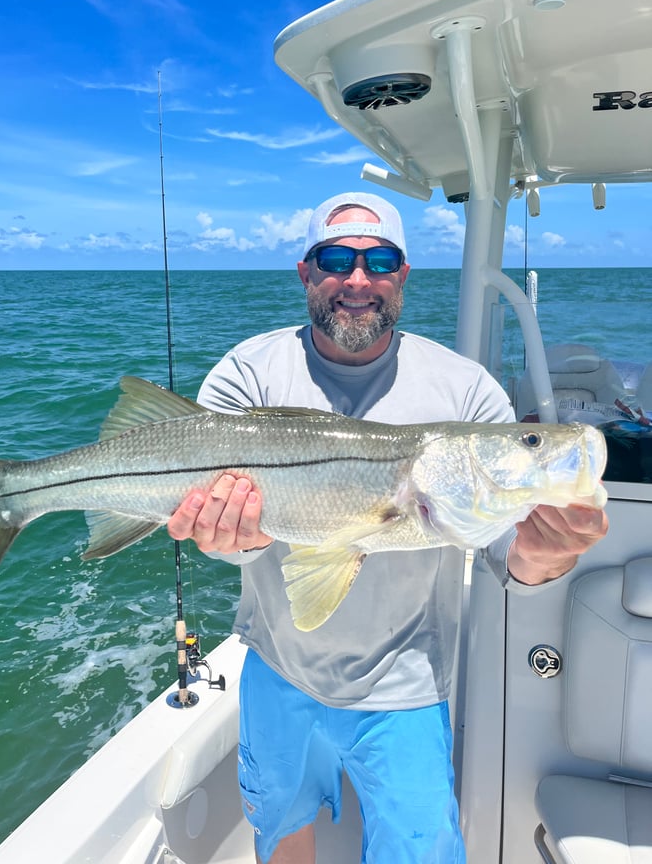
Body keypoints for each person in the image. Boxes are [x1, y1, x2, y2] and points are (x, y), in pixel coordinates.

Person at [167, 193, 608, 864]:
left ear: (402, 276)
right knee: (281, 832)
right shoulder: (247, 375)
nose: (357, 279)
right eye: (336, 259)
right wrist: (232, 539)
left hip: (406, 683)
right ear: (306, 273)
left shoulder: (468, 394)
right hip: (279, 667)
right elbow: (228, 531)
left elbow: (507, 553)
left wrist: (545, 557)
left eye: (379, 261)